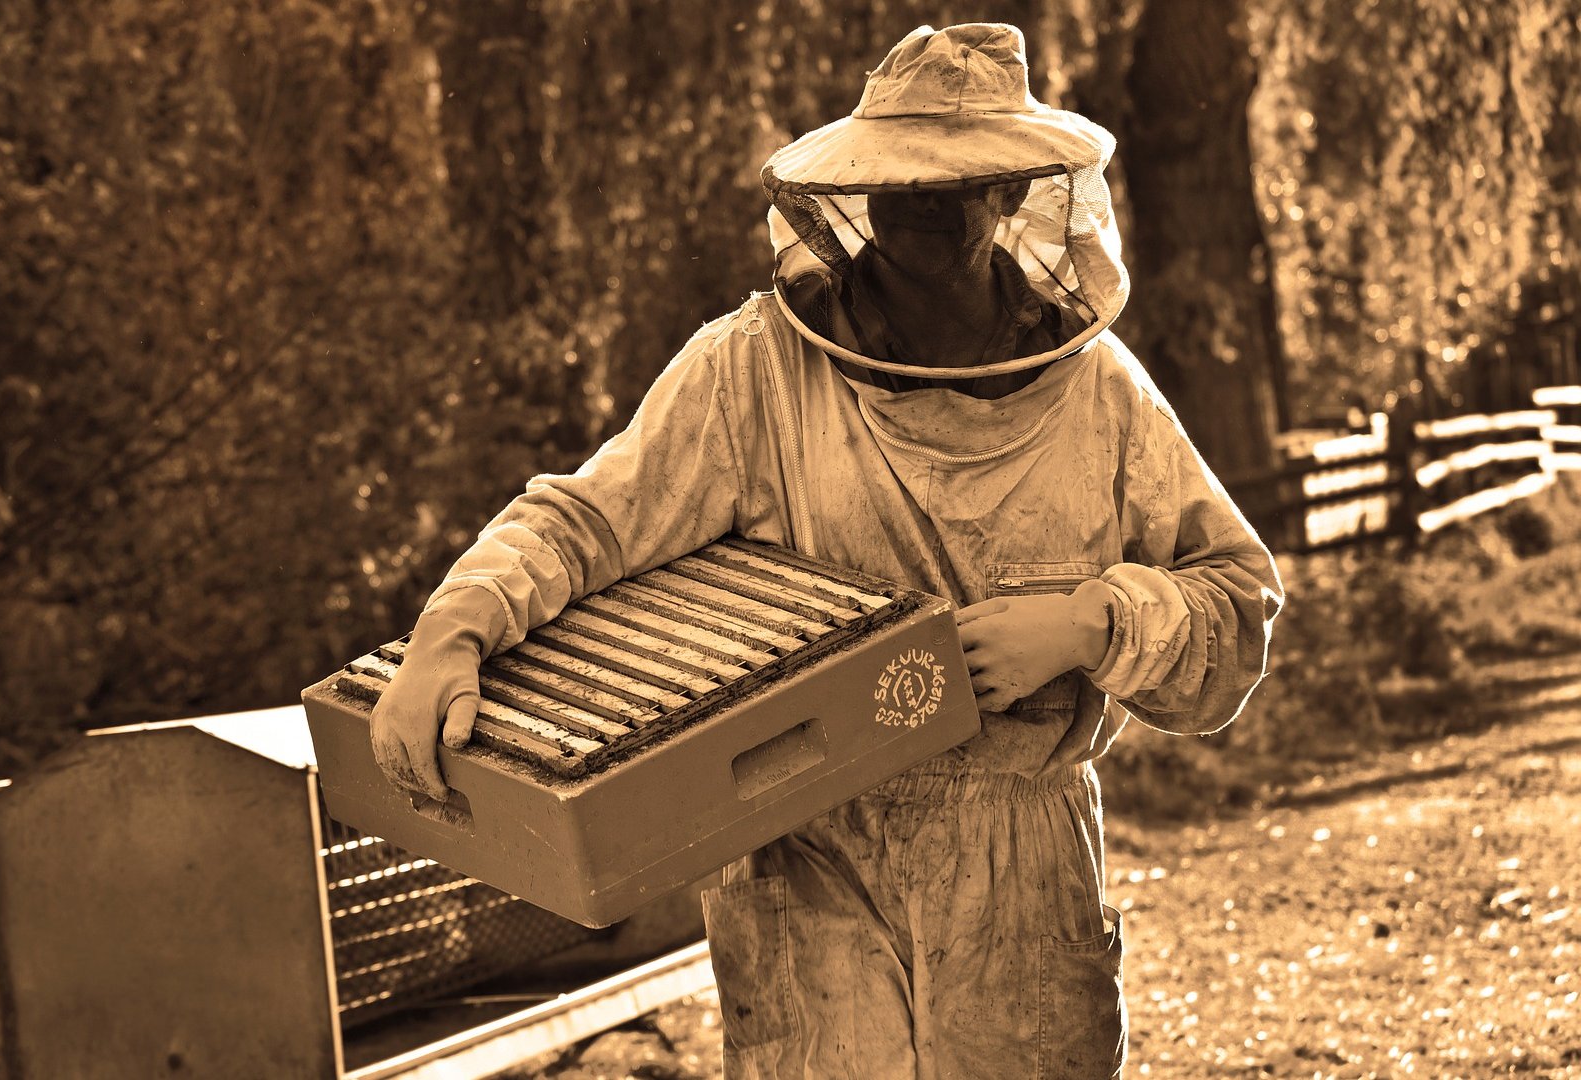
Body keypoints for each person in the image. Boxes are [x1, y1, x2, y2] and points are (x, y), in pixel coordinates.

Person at [369, 22, 1282, 1079]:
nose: (928, 211)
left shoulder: (1100, 392)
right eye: (903, 187)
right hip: (804, 859)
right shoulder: (751, 372)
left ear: (1014, 195)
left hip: (1022, 865)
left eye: (961, 184)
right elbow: (584, 521)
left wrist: (1091, 624)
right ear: (857, 200)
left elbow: (1238, 606)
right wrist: (455, 627)